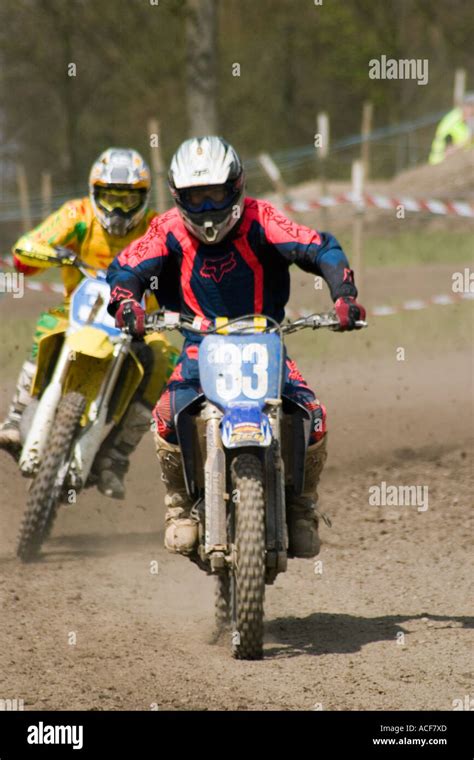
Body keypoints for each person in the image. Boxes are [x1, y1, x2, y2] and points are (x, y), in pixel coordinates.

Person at [106, 136, 366, 557]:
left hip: (265, 343)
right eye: (196, 198)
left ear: (236, 187)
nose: (207, 209)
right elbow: (127, 268)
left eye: (215, 195)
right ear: (178, 197)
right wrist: (127, 303)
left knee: (313, 414)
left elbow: (319, 248)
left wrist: (343, 295)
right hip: (198, 347)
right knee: (165, 417)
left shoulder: (262, 218)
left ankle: (301, 507)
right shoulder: (167, 228)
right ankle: (178, 507)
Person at [0, 147, 178, 498]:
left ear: (142, 198)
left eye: (127, 200)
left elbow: (185, 266)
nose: (117, 209)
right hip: (78, 311)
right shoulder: (77, 215)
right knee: (46, 324)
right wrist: (51, 252)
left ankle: (117, 455)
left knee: (165, 360)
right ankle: (17, 417)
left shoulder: (157, 227)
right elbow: (25, 248)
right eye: (110, 198)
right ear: (95, 193)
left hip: (141, 321)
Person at [429, 92, 474, 165]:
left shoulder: (468, 119)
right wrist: (454, 149)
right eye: (472, 106)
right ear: (466, 107)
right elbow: (447, 144)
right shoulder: (453, 120)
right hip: (441, 160)